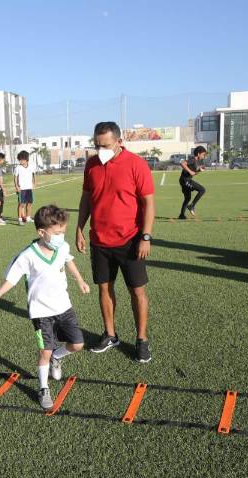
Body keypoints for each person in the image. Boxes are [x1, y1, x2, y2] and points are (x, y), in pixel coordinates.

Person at [0, 205, 90, 409]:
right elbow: (12, 278)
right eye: (57, 233)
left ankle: (58, 357)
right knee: (45, 352)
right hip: (41, 313)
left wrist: (80, 280)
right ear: (42, 233)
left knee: (77, 344)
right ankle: (43, 387)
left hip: (64, 307)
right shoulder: (28, 255)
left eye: (63, 232)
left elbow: (69, 261)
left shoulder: (63, 247)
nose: (61, 236)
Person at [76, 121, 155, 363]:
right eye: (97, 145)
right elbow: (87, 199)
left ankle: (141, 339)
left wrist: (145, 236)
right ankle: (110, 335)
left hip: (131, 240)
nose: (101, 150)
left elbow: (148, 203)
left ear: (119, 142)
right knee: (104, 288)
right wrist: (79, 228)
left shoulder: (136, 165)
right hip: (99, 240)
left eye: (106, 145)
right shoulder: (91, 164)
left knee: (137, 291)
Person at [179, 146, 208, 219]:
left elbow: (193, 173)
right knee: (202, 190)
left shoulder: (197, 162)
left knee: (187, 198)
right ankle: (191, 206)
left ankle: (182, 215)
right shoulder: (192, 159)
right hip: (185, 180)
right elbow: (182, 163)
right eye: (203, 154)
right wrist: (190, 171)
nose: (204, 156)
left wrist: (199, 170)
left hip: (185, 180)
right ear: (198, 154)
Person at [14, 150, 36, 226]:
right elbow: (15, 178)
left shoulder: (31, 166)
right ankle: (20, 219)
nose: (20, 161)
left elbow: (34, 175)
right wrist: (16, 186)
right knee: (21, 204)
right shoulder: (18, 168)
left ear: (26, 159)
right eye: (19, 159)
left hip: (29, 188)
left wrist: (34, 183)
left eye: (21, 159)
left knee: (29, 203)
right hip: (22, 189)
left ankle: (28, 217)